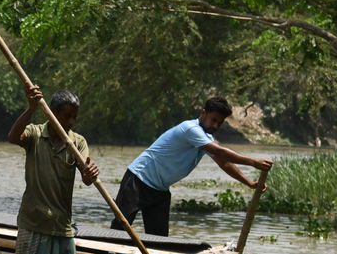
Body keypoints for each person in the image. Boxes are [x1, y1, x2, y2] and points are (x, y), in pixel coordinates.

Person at [6, 84, 100, 254]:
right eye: (66, 117)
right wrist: (31, 108)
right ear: (53, 115)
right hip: (33, 220)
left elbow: (86, 176)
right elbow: (12, 137)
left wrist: (91, 172)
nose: (70, 122)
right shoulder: (36, 134)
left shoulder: (77, 142)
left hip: (62, 222)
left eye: (74, 118)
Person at [111, 96, 272, 237]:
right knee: (120, 228)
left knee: (158, 239)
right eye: (213, 120)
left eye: (220, 123)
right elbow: (219, 151)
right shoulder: (190, 129)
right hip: (138, 180)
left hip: (160, 190)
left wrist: (249, 183)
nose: (215, 125)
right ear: (203, 113)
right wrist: (252, 162)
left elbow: (224, 162)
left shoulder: (206, 137)